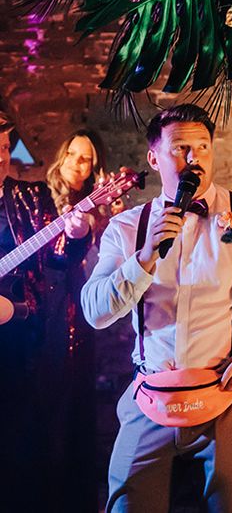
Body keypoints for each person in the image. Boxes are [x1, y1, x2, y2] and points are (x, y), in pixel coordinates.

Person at [81, 103, 232, 512]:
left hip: (229, 390)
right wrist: (143, 258)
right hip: (152, 392)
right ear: (154, 157)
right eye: (180, 148)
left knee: (231, 502)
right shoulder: (126, 228)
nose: (194, 158)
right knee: (127, 502)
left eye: (203, 147)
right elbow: (95, 312)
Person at [0, 110, 91, 512]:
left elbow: (58, 261)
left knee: (21, 441)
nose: (2, 157)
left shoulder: (29, 198)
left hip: (19, 341)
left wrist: (77, 235)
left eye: (4, 148)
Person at [45, 129, 111, 512]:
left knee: (75, 405)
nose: (75, 162)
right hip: (39, 313)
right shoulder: (35, 197)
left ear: (94, 168)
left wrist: (92, 227)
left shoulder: (98, 208)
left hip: (78, 312)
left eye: (84, 158)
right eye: (71, 153)